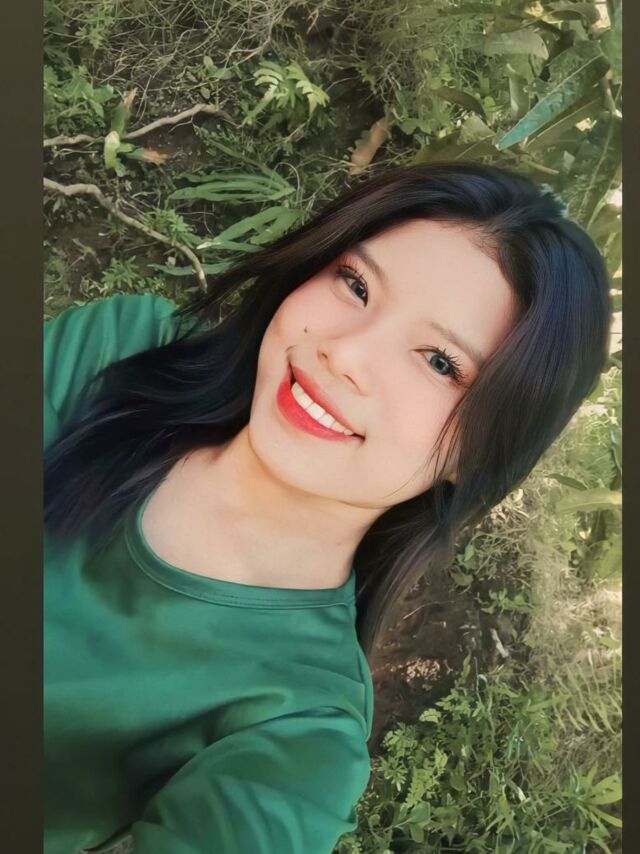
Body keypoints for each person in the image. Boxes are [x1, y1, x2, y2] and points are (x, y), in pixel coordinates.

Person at [44, 162, 612, 854]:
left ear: (482, 454)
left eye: (439, 362)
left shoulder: (299, 728)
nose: (344, 354)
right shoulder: (116, 354)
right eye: (356, 284)